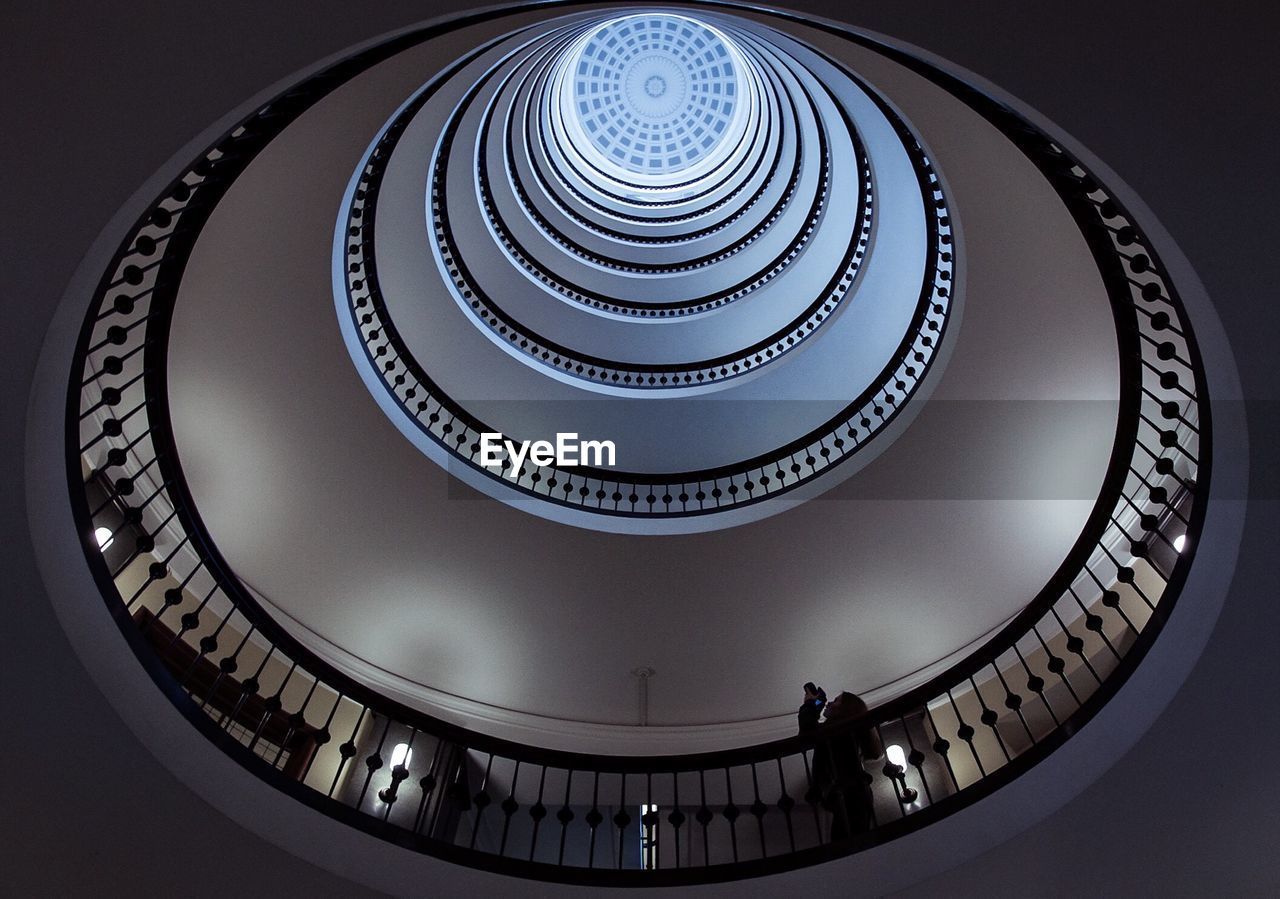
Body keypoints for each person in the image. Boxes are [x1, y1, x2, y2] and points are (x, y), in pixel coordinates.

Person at [812, 690, 880, 840]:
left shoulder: (836, 730)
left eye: (836, 701)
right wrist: (815, 703)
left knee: (847, 845)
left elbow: (808, 729)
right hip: (853, 793)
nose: (829, 703)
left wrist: (813, 703)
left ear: (845, 710)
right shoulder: (837, 731)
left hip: (850, 793)